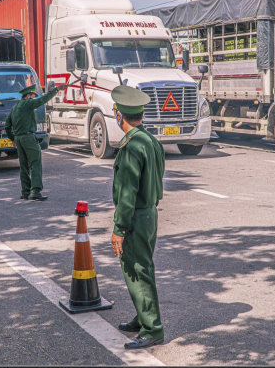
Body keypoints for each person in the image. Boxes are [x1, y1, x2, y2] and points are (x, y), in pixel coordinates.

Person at [110, 85, 166, 350]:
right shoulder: (150, 139)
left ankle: (152, 328)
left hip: (135, 217)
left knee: (137, 269)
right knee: (142, 266)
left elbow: (127, 193)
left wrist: (119, 228)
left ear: (119, 116)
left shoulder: (132, 146)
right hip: (149, 214)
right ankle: (143, 316)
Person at [5, 83, 69, 201]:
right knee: (35, 163)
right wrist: (56, 90)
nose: (33, 98)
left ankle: (25, 192)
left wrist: (13, 138)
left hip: (18, 139)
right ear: (28, 96)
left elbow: (7, 125)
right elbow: (42, 100)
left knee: (23, 166)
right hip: (28, 138)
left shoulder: (15, 107)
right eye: (32, 96)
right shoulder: (28, 103)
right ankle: (35, 191)